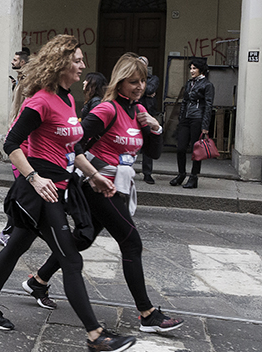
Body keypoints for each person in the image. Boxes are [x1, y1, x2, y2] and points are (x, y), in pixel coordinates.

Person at [0, 34, 137, 352]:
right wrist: (33, 177)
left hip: (60, 185)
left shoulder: (69, 100)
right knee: (71, 259)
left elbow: (72, 147)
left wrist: (94, 175)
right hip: (40, 192)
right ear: (61, 64)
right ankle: (95, 337)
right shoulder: (40, 101)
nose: (83, 66)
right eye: (77, 61)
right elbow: (11, 145)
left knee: (18, 244)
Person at [27, 53, 184, 334]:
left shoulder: (136, 112)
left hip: (118, 187)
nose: (139, 86)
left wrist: (155, 127)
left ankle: (38, 281)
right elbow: (73, 144)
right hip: (96, 188)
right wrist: (94, 173)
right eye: (133, 81)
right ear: (119, 82)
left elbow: (153, 153)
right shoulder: (106, 110)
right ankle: (147, 313)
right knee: (131, 243)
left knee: (82, 239)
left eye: (143, 81)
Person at [170, 57, 215, 189]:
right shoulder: (190, 83)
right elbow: (184, 101)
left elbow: (208, 106)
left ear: (201, 69)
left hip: (198, 119)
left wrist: (205, 126)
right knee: (180, 148)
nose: (191, 70)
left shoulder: (207, 85)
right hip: (186, 119)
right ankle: (181, 174)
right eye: (191, 68)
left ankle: (194, 177)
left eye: (194, 68)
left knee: (196, 151)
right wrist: (181, 117)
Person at [139, 56, 160, 184]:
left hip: (148, 114)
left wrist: (142, 89)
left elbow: (150, 89)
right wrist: (145, 91)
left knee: (147, 143)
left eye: (143, 64)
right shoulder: (132, 78)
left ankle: (147, 173)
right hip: (134, 112)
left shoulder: (154, 78)